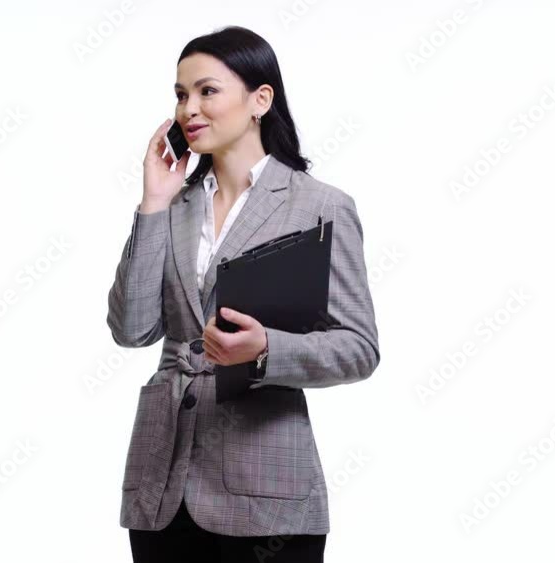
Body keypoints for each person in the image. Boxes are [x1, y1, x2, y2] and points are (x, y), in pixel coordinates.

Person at [107, 25, 380, 563]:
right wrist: (153, 203)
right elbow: (131, 328)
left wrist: (267, 350)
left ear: (260, 100)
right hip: (161, 486)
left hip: (266, 492)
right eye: (181, 94)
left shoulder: (319, 206)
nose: (190, 108)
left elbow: (358, 348)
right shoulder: (173, 205)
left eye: (207, 91)